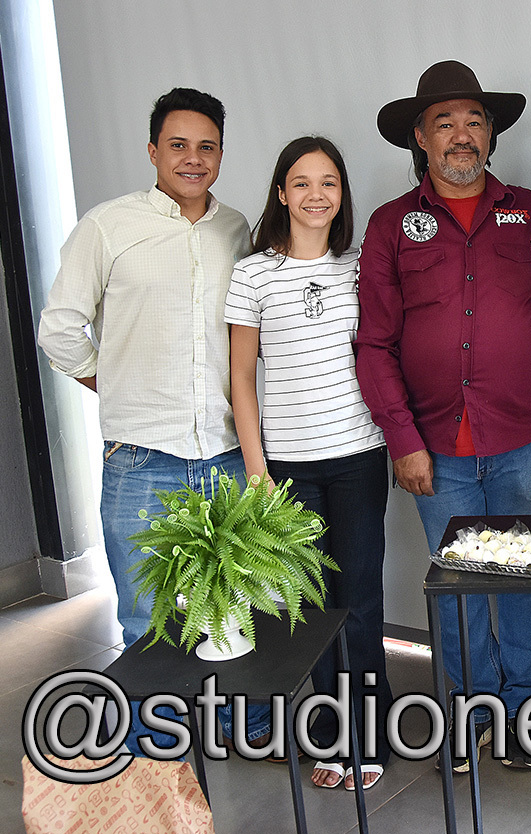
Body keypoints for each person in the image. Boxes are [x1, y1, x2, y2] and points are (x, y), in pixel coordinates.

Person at [37, 88, 269, 752]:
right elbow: (59, 331)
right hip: (142, 458)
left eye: (206, 147)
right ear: (152, 151)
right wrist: (112, 382)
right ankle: (154, 747)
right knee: (148, 617)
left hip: (224, 452)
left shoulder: (236, 229)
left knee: (231, 607)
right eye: (178, 145)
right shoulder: (107, 227)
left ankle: (246, 726)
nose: (193, 159)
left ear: (220, 154)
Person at [355, 60, 531, 770]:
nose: (461, 135)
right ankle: (473, 707)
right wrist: (401, 439)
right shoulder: (390, 224)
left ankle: (525, 707)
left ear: (491, 135)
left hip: (524, 436)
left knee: (525, 575)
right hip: (435, 444)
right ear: (421, 137)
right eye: (445, 122)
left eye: (474, 121)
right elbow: (374, 343)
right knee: (457, 584)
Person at [224, 136, 392, 791]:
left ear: (341, 194)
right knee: (310, 605)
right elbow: (241, 379)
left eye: (328, 183)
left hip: (358, 457)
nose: (315, 195)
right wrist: (257, 469)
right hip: (288, 467)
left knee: (361, 601)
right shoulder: (253, 274)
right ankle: (329, 731)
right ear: (281, 193)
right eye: (302, 182)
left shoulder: (358, 267)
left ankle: (368, 734)